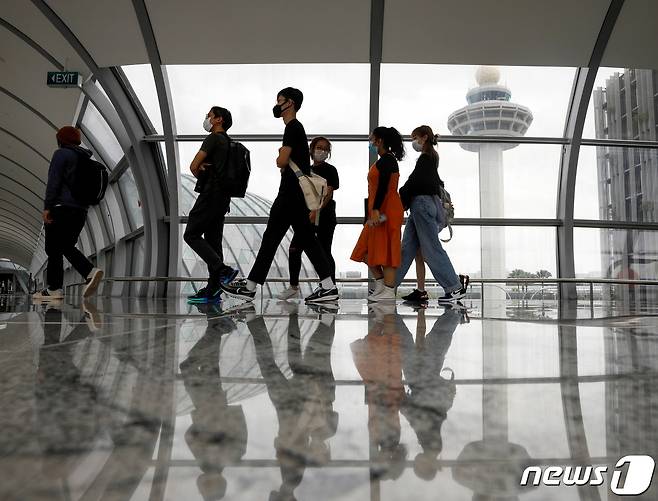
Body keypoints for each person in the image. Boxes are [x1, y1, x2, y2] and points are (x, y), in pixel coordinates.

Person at [221, 88, 338, 303]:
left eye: (279, 101)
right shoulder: (295, 129)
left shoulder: (293, 127)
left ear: (289, 103)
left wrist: (280, 158)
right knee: (305, 240)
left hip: (289, 195)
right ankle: (328, 287)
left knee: (273, 239)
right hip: (294, 196)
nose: (276, 105)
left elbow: (282, 161)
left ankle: (250, 286)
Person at [396, 126, 469, 303]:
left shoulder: (426, 159)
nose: (413, 142)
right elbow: (432, 182)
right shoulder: (431, 158)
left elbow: (414, 182)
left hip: (421, 204)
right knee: (407, 248)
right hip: (420, 206)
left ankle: (454, 287)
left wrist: (401, 195)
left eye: (415, 138)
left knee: (430, 248)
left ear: (424, 137)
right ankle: (389, 286)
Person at [33, 126, 103, 302]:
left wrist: (47, 207)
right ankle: (58, 286)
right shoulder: (85, 158)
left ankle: (61, 286)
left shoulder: (61, 154)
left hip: (61, 208)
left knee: (54, 247)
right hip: (81, 211)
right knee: (64, 245)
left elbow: (54, 181)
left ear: (61, 140)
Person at [185, 106, 239, 304]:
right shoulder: (230, 144)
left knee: (190, 234)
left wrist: (201, 172)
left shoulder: (213, 139)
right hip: (224, 199)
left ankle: (223, 270)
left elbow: (193, 166)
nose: (207, 118)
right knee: (213, 241)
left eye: (209, 115)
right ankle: (214, 289)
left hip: (210, 195)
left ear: (219, 120)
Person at [279, 136, 339, 299]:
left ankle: (329, 287)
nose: (322, 151)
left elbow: (328, 192)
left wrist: (317, 210)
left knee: (325, 250)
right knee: (294, 248)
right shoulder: (305, 169)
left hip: (324, 216)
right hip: (305, 216)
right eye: (319, 147)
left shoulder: (330, 170)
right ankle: (293, 286)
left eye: (326, 149)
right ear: (311, 150)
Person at [350, 127, 405, 302]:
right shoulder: (383, 160)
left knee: (387, 250)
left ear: (379, 140)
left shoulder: (388, 160)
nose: (370, 141)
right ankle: (381, 284)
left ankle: (388, 290)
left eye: (372, 138)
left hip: (386, 210)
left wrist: (376, 210)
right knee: (364, 250)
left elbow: (383, 187)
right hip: (379, 209)